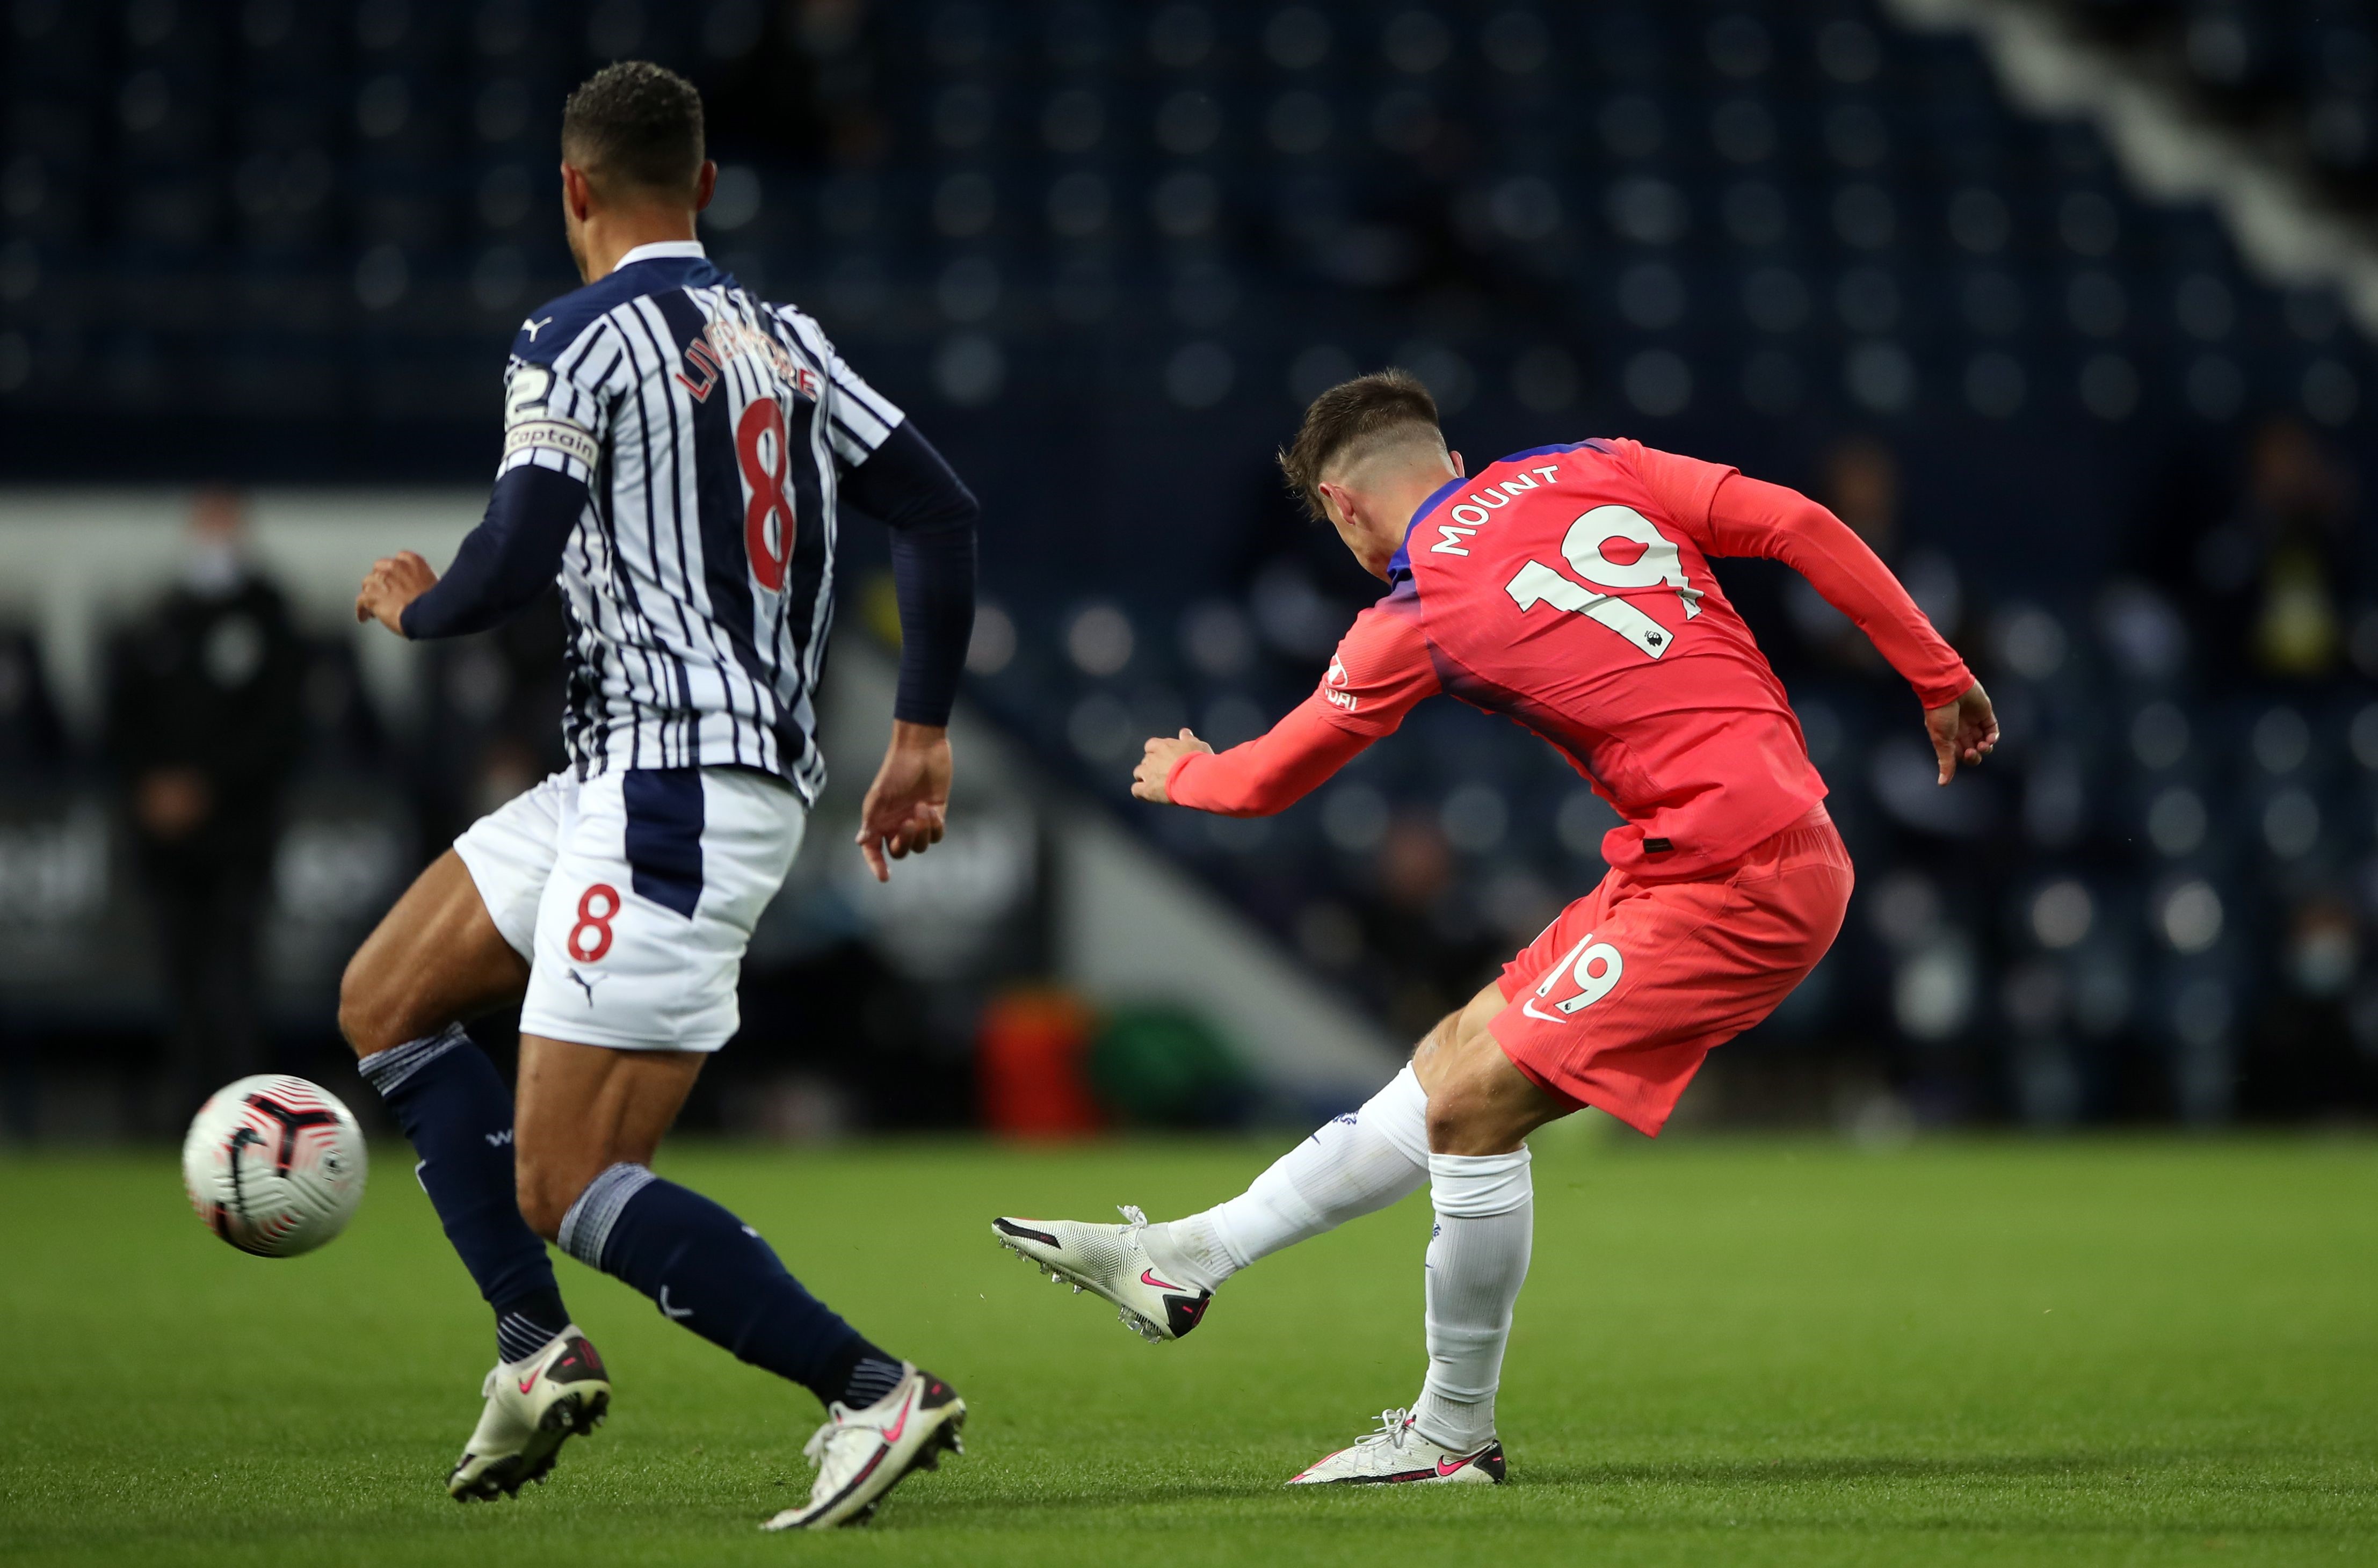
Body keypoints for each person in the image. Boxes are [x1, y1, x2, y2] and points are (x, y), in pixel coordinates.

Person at [993, 371, 1995, 1485]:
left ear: (1343, 506)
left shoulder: (1417, 613)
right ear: (1453, 459)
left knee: (1474, 1111)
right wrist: (1937, 672)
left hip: (1737, 877)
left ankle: (1451, 1434)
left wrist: (1184, 772)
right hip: (1715, 848)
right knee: (1448, 1064)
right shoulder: (1595, 463)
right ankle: (1187, 1254)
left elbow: (1262, 782)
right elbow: (1802, 522)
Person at [340, 63, 978, 1530]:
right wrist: (923, 732)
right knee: (384, 1001)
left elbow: (510, 561)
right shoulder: (789, 339)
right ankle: (532, 1343)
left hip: (674, 793)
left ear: (571, 189)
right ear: (702, 186)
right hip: (620, 776)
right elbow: (939, 508)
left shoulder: (570, 338)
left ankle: (870, 1388)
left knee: (567, 1179)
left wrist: (413, 611)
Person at [105, 488, 303, 1123]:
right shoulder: (160, 616)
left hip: (239, 834)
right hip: (167, 843)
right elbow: (122, 721)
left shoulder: (270, 615)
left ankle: (243, 1115)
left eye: (223, 523)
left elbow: (280, 728)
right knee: (180, 975)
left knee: (236, 978)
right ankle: (188, 1114)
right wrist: (151, 788)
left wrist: (205, 787)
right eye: (204, 523)